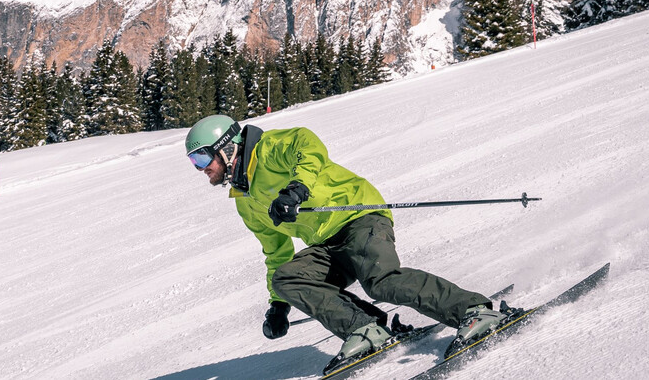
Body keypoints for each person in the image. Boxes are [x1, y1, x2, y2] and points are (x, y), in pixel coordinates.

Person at [184, 114, 506, 369]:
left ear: (227, 147)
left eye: (202, 159)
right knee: (287, 278)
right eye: (194, 163)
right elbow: (276, 250)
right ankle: (367, 329)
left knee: (380, 282)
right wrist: (278, 305)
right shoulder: (246, 201)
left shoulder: (268, 148)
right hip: (326, 243)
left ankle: (475, 310)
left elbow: (307, 146)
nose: (201, 169)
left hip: (357, 215)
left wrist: (297, 188)